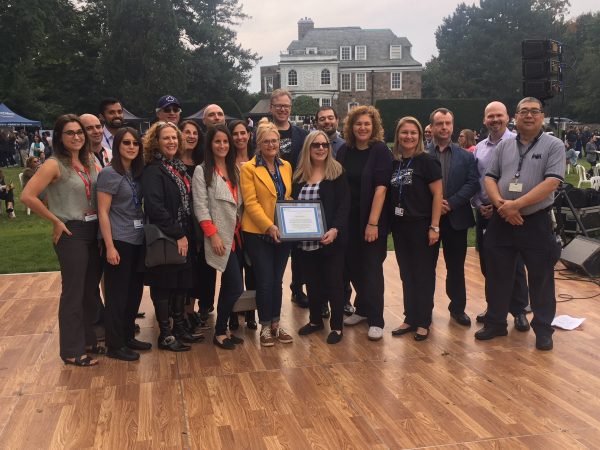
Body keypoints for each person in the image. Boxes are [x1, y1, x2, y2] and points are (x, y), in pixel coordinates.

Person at [476, 97, 565, 351]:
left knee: (541, 277)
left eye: (534, 111)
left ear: (542, 116)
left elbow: (552, 182)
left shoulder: (554, 145)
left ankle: (543, 330)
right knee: (497, 275)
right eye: (523, 111)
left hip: (535, 221)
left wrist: (517, 205)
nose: (529, 115)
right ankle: (495, 323)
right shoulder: (504, 147)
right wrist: (503, 206)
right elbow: (491, 178)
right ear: (516, 116)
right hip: (502, 220)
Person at [21, 114, 101, 366]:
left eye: (79, 132)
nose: (77, 137)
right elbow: (27, 195)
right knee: (74, 292)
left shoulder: (89, 160)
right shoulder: (54, 164)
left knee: (90, 291)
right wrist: (56, 220)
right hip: (71, 232)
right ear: (59, 137)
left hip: (93, 229)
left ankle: (89, 340)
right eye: (70, 133)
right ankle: (71, 350)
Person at [142, 121, 201, 352]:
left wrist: (185, 234)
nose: (171, 142)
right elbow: (155, 207)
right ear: (156, 142)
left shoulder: (177, 167)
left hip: (183, 233)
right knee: (164, 285)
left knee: (181, 284)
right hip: (166, 236)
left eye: (174, 138)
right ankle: (165, 334)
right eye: (166, 138)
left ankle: (179, 328)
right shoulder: (153, 170)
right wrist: (177, 233)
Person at [471, 101, 530, 331]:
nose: (495, 120)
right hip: (485, 211)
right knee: (488, 264)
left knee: (515, 264)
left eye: (499, 116)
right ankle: (495, 307)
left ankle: (518, 311)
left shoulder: (519, 144)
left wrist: (505, 206)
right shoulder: (479, 148)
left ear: (508, 118)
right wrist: (478, 203)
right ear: (485, 120)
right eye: (490, 116)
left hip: (511, 211)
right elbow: (475, 179)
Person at [337, 105, 392, 341]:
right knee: (353, 266)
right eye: (358, 124)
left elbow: (381, 188)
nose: (362, 128)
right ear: (351, 127)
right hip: (349, 219)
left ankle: (376, 318)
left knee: (371, 269)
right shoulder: (344, 151)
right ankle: (361, 309)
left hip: (372, 219)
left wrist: (373, 223)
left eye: (367, 124)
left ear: (374, 127)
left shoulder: (379, 150)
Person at [97, 127, 150, 361]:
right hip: (119, 240)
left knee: (134, 292)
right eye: (126, 143)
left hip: (137, 239)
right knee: (117, 294)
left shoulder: (136, 173)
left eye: (135, 144)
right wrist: (109, 246)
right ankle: (115, 344)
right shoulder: (110, 174)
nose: (131, 147)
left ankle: (128, 335)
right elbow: (103, 211)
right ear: (117, 146)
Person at [292, 131, 350, 344]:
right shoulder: (299, 176)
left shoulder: (336, 172)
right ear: (308, 148)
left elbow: (344, 205)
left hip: (330, 240)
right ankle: (316, 320)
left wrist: (335, 229)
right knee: (312, 284)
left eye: (324, 145)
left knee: (334, 283)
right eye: (315, 145)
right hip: (305, 241)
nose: (320, 149)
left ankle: (336, 326)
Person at [240, 119, 294, 347]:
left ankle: (276, 323)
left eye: (275, 140)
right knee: (264, 281)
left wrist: (295, 215)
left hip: (283, 232)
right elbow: (251, 204)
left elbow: (286, 197)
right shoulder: (248, 168)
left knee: (277, 281)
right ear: (258, 143)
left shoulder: (286, 166)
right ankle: (264, 327)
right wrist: (268, 226)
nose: (272, 145)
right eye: (267, 141)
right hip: (259, 233)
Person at [389, 117, 442, 341]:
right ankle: (410, 317)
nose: (408, 137)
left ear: (420, 136)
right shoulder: (395, 162)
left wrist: (434, 227)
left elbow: (438, 195)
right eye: (404, 132)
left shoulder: (427, 161)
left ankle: (423, 320)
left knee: (423, 275)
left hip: (422, 226)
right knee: (406, 274)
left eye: (413, 133)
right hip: (401, 227)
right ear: (398, 136)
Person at [192, 124, 245, 349]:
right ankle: (220, 331)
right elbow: (201, 207)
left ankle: (224, 328)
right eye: (217, 141)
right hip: (219, 236)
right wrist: (212, 236)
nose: (222, 145)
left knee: (230, 285)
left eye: (225, 141)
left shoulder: (235, 169)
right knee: (234, 286)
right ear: (210, 144)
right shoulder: (202, 171)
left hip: (238, 236)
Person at [426, 108, 479, 327]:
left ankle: (457, 308)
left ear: (453, 125)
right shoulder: (422, 155)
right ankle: (424, 310)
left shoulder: (466, 156)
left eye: (448, 123)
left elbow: (473, 183)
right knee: (426, 268)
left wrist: (452, 203)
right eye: (440, 123)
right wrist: (437, 205)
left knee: (455, 267)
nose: (444, 127)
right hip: (428, 220)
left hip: (456, 219)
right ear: (432, 127)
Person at [269, 89, 309, 307]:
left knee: (299, 249)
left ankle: (298, 288)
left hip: (295, 200)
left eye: (286, 106)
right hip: (268, 200)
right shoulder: (261, 133)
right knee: (271, 248)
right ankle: (270, 292)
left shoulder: (302, 136)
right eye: (279, 106)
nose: (283, 109)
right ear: (271, 108)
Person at [179, 119, 216, 332]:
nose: (191, 136)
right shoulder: (172, 163)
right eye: (187, 132)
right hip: (182, 225)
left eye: (195, 133)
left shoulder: (203, 164)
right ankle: (184, 311)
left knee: (203, 268)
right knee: (186, 268)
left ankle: (199, 308)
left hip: (202, 224)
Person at [228, 119, 257, 330]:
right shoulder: (226, 163)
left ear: (249, 135)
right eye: (235, 134)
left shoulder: (257, 160)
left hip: (254, 224)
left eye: (243, 133)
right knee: (234, 272)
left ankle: (250, 314)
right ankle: (233, 313)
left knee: (253, 272)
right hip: (233, 226)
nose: (240, 137)